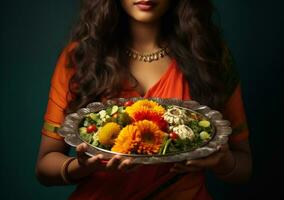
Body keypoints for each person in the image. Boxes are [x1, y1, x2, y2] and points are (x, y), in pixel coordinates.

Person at [35, 0, 252, 199]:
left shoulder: (209, 56)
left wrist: (223, 161)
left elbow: (243, 167)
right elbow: (44, 168)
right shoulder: (79, 58)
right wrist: (83, 167)